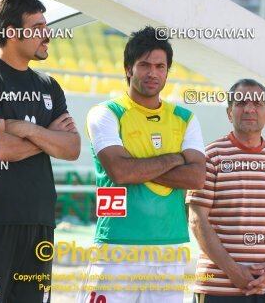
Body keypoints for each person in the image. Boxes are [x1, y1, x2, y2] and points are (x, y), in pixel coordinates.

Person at [77, 26, 206, 303]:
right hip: (117, 244)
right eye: (144, 65)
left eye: (160, 66)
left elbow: (196, 177)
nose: (153, 73)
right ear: (128, 69)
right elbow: (121, 171)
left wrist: (139, 166)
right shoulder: (106, 113)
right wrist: (175, 158)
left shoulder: (185, 118)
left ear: (167, 71)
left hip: (170, 246)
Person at [0, 0, 80, 303]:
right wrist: (47, 136)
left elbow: (72, 148)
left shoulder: (48, 84)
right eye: (37, 29)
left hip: (41, 222)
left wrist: (25, 129)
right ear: (11, 32)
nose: (46, 36)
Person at [187, 79, 265, 303]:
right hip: (218, 288)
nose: (249, 109)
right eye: (241, 103)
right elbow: (197, 220)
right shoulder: (210, 156)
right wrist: (233, 271)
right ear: (229, 112)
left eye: (257, 103)